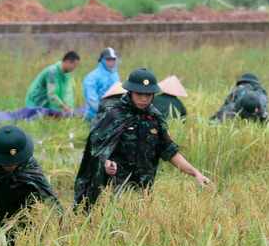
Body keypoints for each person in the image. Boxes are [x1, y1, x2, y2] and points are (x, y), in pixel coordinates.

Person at [74, 67, 212, 211]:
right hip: (115, 188)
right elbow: (96, 149)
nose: (144, 98)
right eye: (139, 94)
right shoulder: (114, 114)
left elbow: (170, 151)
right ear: (130, 91)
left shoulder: (155, 118)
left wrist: (196, 173)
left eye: (148, 94)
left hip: (143, 188)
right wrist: (106, 162)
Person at [83, 47, 120, 121]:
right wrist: (103, 112)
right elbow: (91, 100)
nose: (111, 63)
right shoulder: (92, 77)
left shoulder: (115, 76)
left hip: (113, 115)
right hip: (96, 116)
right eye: (108, 60)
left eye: (113, 60)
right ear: (102, 60)